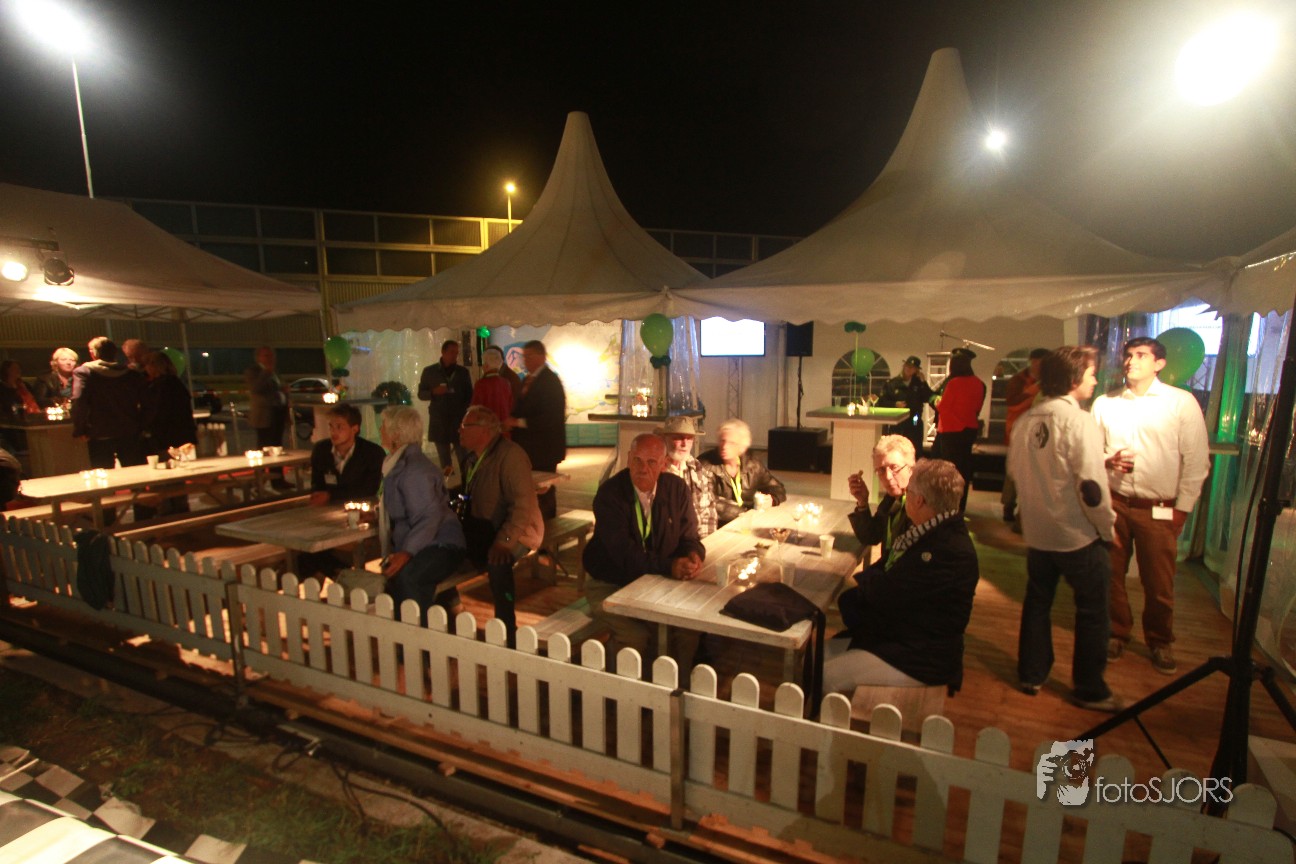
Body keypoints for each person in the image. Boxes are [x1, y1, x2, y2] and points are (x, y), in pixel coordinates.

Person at [1010, 347, 1121, 711]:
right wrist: (1107, 528)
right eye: (1091, 374)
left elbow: (1017, 472)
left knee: (1037, 603)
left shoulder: (1026, 421)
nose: (1095, 380)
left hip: (1038, 534)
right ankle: (1090, 688)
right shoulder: (1079, 421)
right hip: (1076, 535)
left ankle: (1031, 674)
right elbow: (1090, 487)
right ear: (1074, 379)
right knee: (1092, 611)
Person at [1092, 336, 1209, 675]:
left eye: (1141, 355)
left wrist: (1182, 508)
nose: (1132, 361)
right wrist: (1107, 460)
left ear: (1159, 364)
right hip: (1114, 502)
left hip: (1158, 507)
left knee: (1158, 582)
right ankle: (1117, 632)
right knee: (1110, 575)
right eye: (1128, 355)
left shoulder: (1180, 403)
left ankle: (1160, 640)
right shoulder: (1106, 403)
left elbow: (1196, 460)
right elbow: (1089, 451)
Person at [824, 459, 979, 695]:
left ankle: (831, 719)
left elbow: (884, 593)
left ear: (919, 500)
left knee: (826, 675)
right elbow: (887, 576)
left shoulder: (947, 550)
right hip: (902, 637)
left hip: (922, 656)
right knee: (821, 654)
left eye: (910, 491)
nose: (905, 494)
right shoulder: (932, 530)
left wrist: (870, 580)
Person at [583, 433, 705, 661]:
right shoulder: (610, 495)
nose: (642, 469)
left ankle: (679, 680)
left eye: (651, 462)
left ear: (663, 464)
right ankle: (617, 680)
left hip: (656, 580)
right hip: (610, 582)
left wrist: (693, 555)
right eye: (637, 460)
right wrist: (670, 566)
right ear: (629, 458)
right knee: (636, 637)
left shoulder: (676, 489)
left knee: (687, 629)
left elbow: (689, 536)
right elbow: (625, 556)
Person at [456, 405, 544, 643]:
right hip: (484, 528)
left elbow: (523, 507)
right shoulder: (471, 458)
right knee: (445, 551)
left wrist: (504, 541)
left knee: (498, 562)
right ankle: (451, 608)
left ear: (484, 431)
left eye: (465, 426)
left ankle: (507, 630)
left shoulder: (511, 456)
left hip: (520, 531)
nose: (459, 430)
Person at [376, 406, 467, 621]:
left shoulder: (414, 470)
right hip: (425, 543)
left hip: (442, 545)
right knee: (395, 578)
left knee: (408, 578)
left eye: (384, 426)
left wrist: (407, 552)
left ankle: (420, 636)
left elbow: (429, 517)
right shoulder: (397, 465)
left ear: (396, 434)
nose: (380, 430)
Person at [297, 404, 385, 580]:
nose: (334, 432)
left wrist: (331, 495)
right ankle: (339, 576)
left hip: (360, 516)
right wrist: (318, 495)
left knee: (310, 557)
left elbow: (368, 489)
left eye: (339, 427)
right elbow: (317, 482)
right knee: (306, 552)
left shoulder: (372, 453)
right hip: (327, 515)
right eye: (331, 426)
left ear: (355, 429)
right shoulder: (321, 450)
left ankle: (342, 576)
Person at [509, 340, 566, 519]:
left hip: (544, 447)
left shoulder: (550, 381)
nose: (525, 361)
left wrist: (518, 422)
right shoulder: (528, 380)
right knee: (531, 489)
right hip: (528, 447)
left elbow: (551, 418)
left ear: (542, 357)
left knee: (545, 489)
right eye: (524, 357)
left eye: (529, 356)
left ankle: (548, 526)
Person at [70, 338, 147, 470]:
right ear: (115, 353)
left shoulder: (84, 372)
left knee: (103, 474)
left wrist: (80, 429)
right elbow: (144, 400)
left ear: (93, 353)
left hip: (99, 431)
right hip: (129, 429)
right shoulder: (131, 373)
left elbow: (79, 401)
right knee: (135, 472)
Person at [698, 418, 787, 526]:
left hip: (747, 520)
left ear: (742, 447)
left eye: (732, 443)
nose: (725, 446)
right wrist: (744, 513)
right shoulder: (704, 465)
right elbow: (709, 501)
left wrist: (772, 499)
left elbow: (777, 488)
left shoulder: (752, 464)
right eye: (722, 441)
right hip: (718, 525)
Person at [140, 351, 198, 515]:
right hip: (179, 435)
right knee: (177, 478)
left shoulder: (159, 386)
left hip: (163, 437)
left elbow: (157, 412)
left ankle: (167, 511)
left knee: (163, 476)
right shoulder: (176, 383)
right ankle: (180, 509)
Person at [932, 347, 985, 511]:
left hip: (951, 431)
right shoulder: (979, 383)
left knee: (949, 470)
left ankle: (948, 506)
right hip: (969, 430)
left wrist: (936, 402)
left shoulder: (954, 383)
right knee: (963, 469)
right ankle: (960, 506)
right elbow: (978, 407)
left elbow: (943, 407)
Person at [847, 434, 916, 557]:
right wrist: (862, 502)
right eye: (881, 470)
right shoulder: (891, 499)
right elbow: (871, 537)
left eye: (894, 467)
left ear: (911, 468)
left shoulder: (920, 503)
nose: (888, 477)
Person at [1001, 348, 1049, 525]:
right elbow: (1012, 403)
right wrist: (1033, 391)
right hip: (1018, 431)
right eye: (1039, 362)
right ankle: (1009, 505)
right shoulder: (1019, 380)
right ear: (1032, 361)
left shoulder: (1046, 382)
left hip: (1038, 434)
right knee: (1014, 470)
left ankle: (1024, 512)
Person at [417, 339, 473, 476]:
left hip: (458, 420)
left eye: (457, 353)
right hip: (439, 420)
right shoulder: (430, 371)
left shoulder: (462, 372)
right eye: (452, 352)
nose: (455, 356)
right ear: (443, 352)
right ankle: (449, 484)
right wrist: (433, 392)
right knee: (445, 460)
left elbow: (470, 395)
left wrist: (464, 410)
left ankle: (468, 483)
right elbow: (421, 394)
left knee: (463, 457)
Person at [657, 415, 717, 538]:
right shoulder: (655, 469)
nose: (684, 444)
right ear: (664, 439)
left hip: (695, 541)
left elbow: (708, 512)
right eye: (678, 438)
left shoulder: (696, 468)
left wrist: (704, 544)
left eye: (689, 438)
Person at [877, 356, 932, 455]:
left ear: (916, 370)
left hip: (914, 422)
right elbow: (882, 402)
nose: (909, 369)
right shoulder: (893, 383)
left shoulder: (919, 384)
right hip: (897, 423)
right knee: (896, 451)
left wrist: (924, 382)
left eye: (912, 367)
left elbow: (928, 397)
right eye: (907, 366)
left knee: (914, 451)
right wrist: (894, 404)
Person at [470, 346, 514, 435]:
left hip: (487, 432)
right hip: (504, 431)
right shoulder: (506, 383)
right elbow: (510, 406)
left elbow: (475, 410)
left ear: (486, 365)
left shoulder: (481, 384)